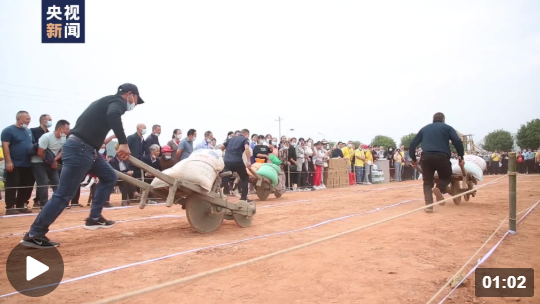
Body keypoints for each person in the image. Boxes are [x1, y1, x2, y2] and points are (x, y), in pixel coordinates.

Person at [21, 83, 144, 249]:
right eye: (136, 100)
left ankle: (94, 218)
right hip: (80, 148)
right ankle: (35, 233)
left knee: (110, 176)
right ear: (130, 94)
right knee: (64, 195)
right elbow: (113, 115)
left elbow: (86, 124)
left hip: (88, 150)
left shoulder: (103, 102)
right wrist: (123, 142)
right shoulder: (117, 103)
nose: (134, 105)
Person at [409, 112, 464, 213]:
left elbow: (413, 144)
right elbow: (457, 141)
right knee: (447, 177)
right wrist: (461, 155)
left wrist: (413, 158)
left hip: (426, 157)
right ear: (443, 119)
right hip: (442, 157)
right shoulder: (447, 128)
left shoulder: (424, 129)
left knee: (427, 182)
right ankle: (439, 187)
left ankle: (429, 205)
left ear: (433, 119)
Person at [1, 111, 35, 215]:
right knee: (12, 184)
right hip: (14, 163)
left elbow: (32, 144)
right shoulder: (8, 130)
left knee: (26, 184)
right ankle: (10, 207)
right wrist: (8, 161)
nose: (29, 120)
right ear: (19, 119)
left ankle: (21, 205)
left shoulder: (28, 131)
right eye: (27, 119)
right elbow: (5, 146)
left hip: (27, 163)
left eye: (29, 118)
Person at [31, 120, 70, 209]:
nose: (68, 131)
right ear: (60, 129)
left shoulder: (63, 137)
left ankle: (59, 203)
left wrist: (54, 160)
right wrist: (50, 162)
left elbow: (62, 151)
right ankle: (44, 204)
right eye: (67, 129)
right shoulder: (46, 137)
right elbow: (40, 152)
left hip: (52, 161)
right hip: (39, 162)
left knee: (57, 182)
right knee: (43, 183)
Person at [220, 129, 252, 202]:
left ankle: (216, 192)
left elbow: (221, 147)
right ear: (246, 134)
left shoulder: (231, 139)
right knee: (244, 178)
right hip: (237, 161)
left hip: (227, 161)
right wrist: (249, 161)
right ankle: (243, 198)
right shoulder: (245, 139)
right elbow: (247, 148)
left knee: (225, 178)